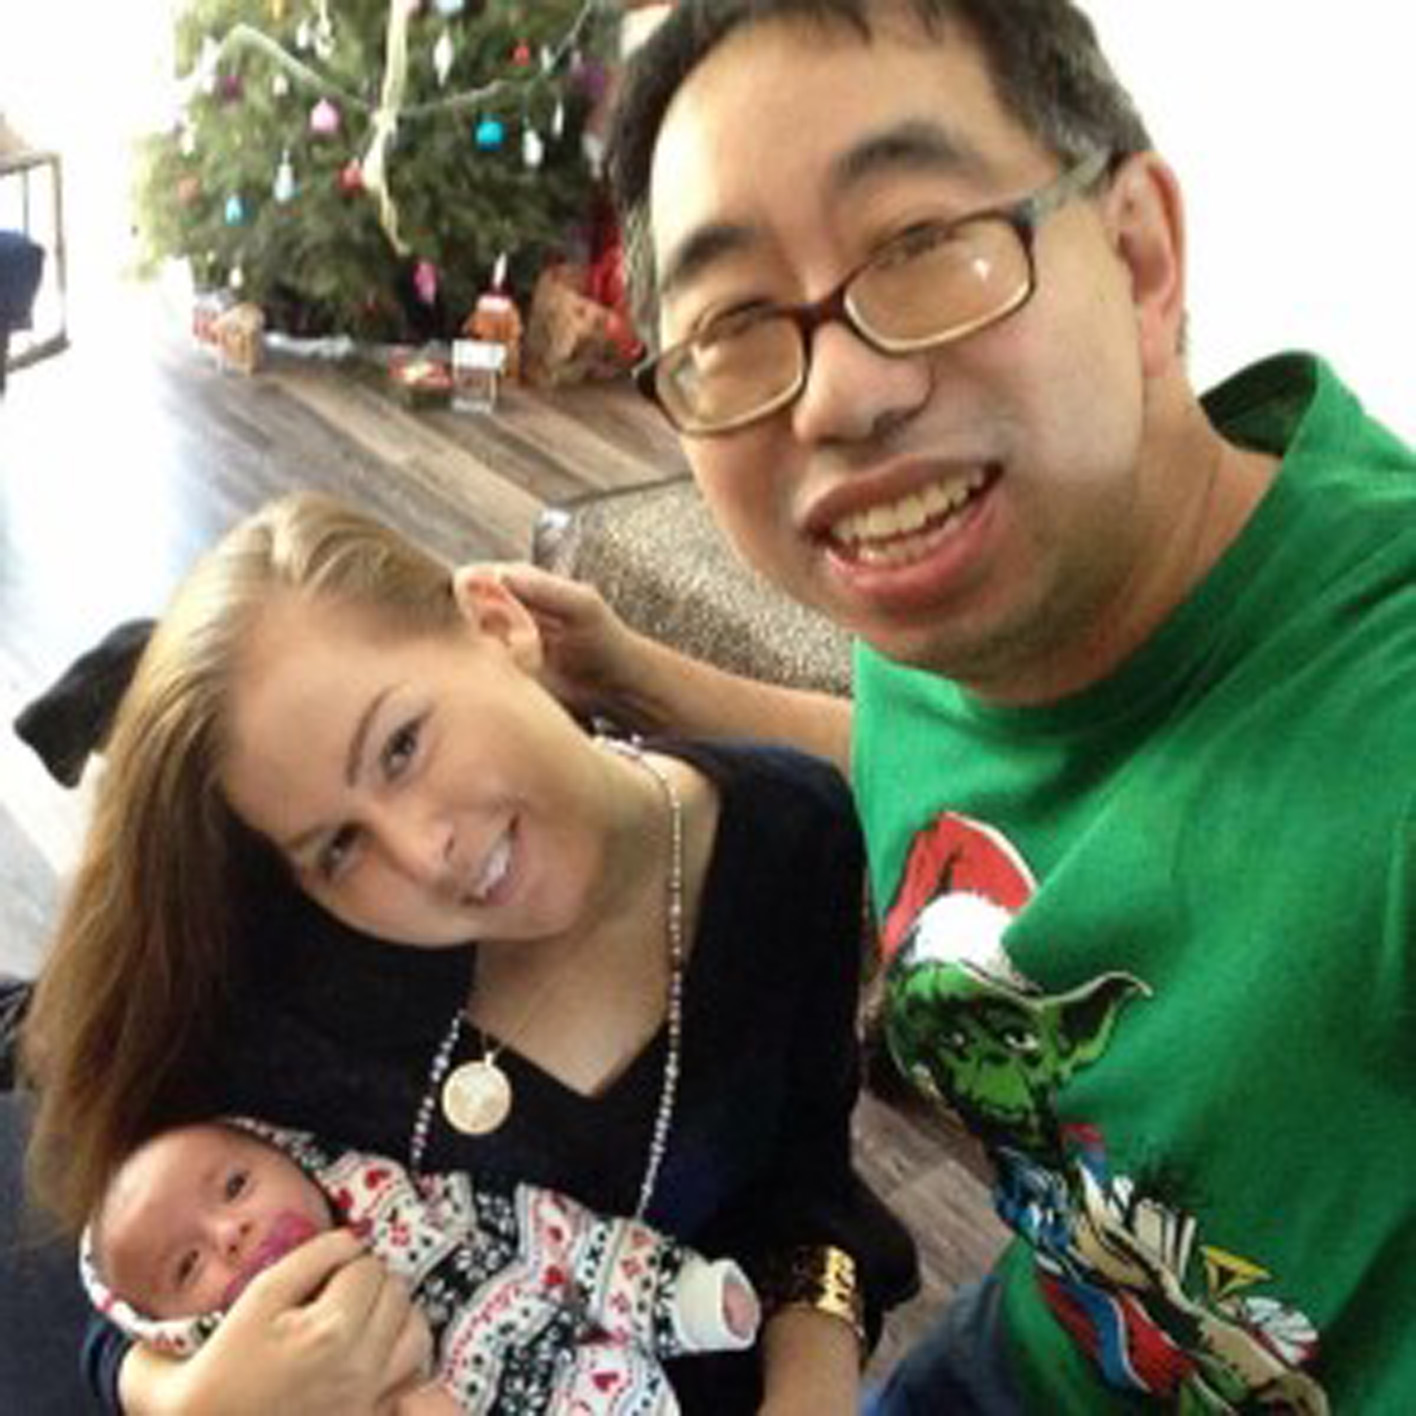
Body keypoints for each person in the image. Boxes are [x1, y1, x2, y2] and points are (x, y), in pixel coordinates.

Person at [475, 1, 1416, 1411]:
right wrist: (633, 670)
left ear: (1141, 255)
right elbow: (938, 769)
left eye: (919, 248)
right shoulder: (975, 592)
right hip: (1044, 1343)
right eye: (734, 324)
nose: (840, 398)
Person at [19, 491, 917, 1415]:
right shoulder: (292, 952)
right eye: (339, 845)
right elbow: (133, 1269)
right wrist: (186, 1400)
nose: (423, 854)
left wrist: (812, 1391)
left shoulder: (788, 838)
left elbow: (802, 1187)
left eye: (402, 746)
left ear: (494, 624)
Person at [82, 1116, 759, 1415]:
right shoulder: (244, 1392)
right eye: (189, 1264)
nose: (232, 1233)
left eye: (235, 1188)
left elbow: (570, 1246)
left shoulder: (428, 1215)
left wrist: (685, 1299)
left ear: (291, 1155)